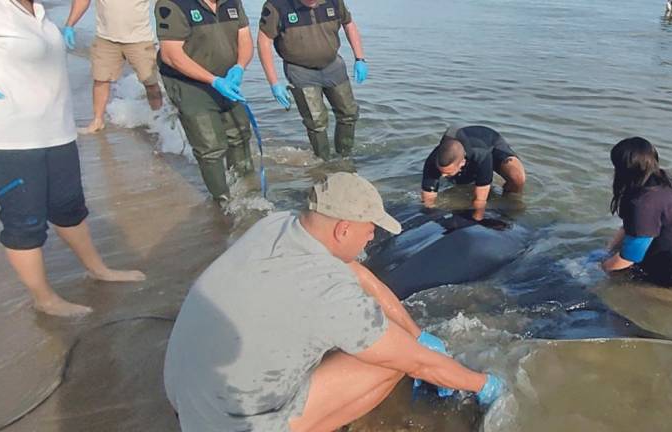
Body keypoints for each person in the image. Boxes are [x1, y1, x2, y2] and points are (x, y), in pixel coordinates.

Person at [164, 172, 505, 431]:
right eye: (369, 228)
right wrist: (484, 384)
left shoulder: (277, 225)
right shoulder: (330, 293)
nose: (373, 236)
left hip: (181, 395)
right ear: (343, 229)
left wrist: (416, 333)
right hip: (229, 424)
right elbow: (418, 363)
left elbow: (363, 276)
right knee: (388, 362)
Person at [0, 0, 145, 317]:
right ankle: (44, 297)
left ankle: (98, 269)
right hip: (5, 139)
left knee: (69, 207)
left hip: (56, 131)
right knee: (25, 220)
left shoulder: (37, 10)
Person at [154, 0, 254, 210]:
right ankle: (224, 203)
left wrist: (239, 67)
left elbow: (244, 39)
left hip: (226, 77)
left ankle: (247, 192)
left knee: (240, 133)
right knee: (210, 146)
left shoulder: (232, 2)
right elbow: (171, 55)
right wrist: (213, 80)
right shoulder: (173, 4)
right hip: (188, 84)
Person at [257, 0, 367, 160]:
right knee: (316, 122)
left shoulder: (334, 2)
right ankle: (323, 162)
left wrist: (360, 58)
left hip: (333, 65)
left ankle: (344, 157)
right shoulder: (276, 5)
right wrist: (274, 82)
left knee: (349, 113)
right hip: (300, 70)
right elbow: (264, 41)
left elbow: (349, 24)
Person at [602, 137, 672, 286]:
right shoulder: (663, 177)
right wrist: (608, 249)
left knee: (622, 278)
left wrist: (601, 267)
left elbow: (630, 257)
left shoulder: (643, 203)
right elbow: (631, 227)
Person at [63, 0, 163, 134]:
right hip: (106, 38)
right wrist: (69, 25)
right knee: (100, 79)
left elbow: (165, 4)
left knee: (150, 83)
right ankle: (97, 120)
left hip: (140, 39)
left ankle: (159, 122)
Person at [421, 125, 526, 221]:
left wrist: (477, 219)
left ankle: (510, 201)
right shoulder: (433, 160)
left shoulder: (482, 156)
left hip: (491, 146)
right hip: (459, 154)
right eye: (441, 172)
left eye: (447, 173)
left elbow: (480, 201)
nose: (443, 176)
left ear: (462, 162)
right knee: (463, 183)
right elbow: (428, 200)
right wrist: (434, 217)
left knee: (517, 177)